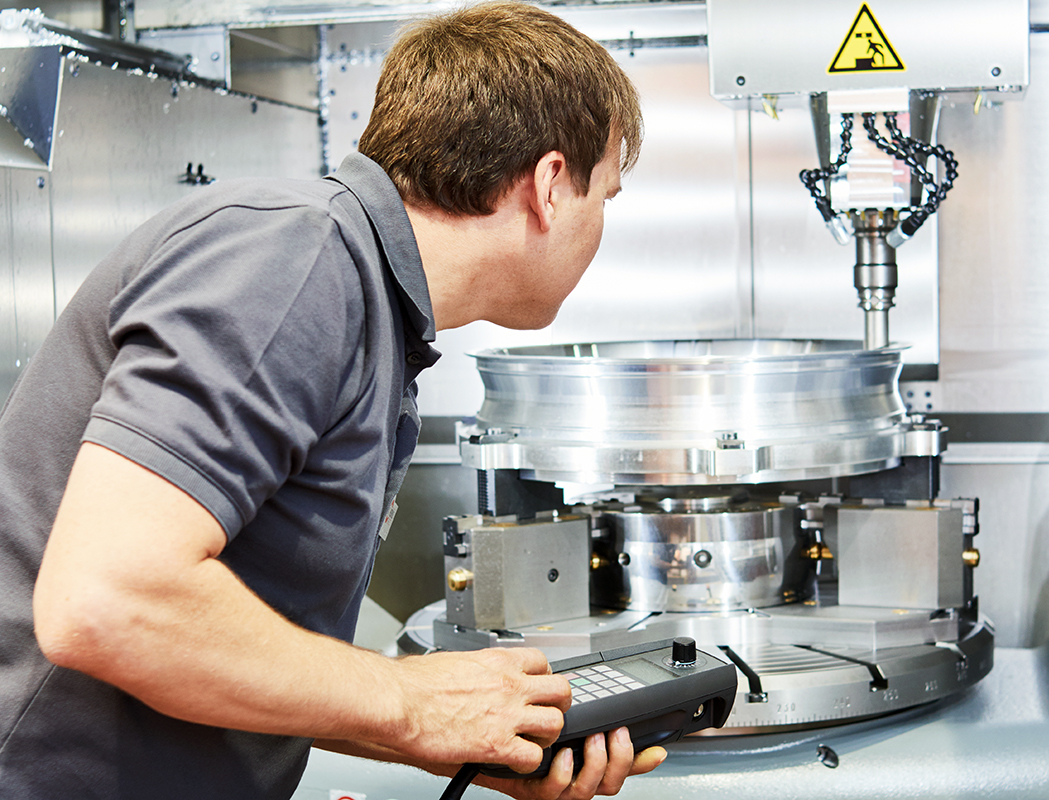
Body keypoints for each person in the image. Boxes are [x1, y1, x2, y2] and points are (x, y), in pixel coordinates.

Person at [0, 3, 659, 798]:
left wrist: (463, 735)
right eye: (608, 198)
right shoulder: (295, 259)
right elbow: (107, 601)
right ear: (551, 186)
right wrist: (411, 703)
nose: (602, 226)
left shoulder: (372, 309)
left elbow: (226, 648)